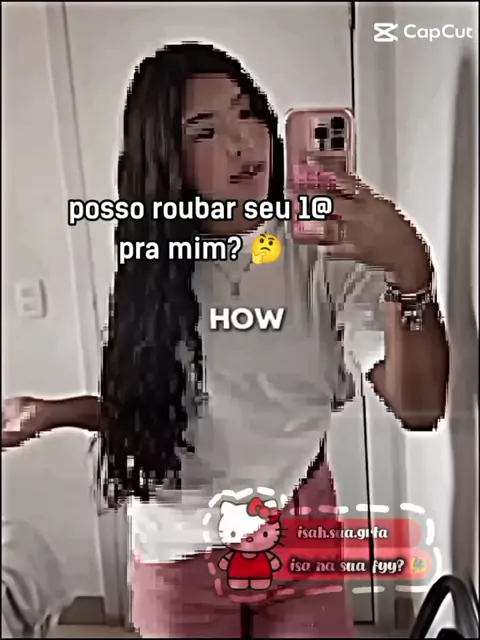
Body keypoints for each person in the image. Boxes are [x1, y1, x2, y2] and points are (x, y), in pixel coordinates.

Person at [2, 43, 450, 637]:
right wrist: (52, 413)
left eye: (246, 113)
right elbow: (166, 413)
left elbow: (419, 407)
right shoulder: (154, 270)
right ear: (167, 157)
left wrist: (410, 272)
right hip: (177, 551)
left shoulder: (324, 252)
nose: (243, 142)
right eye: (205, 131)